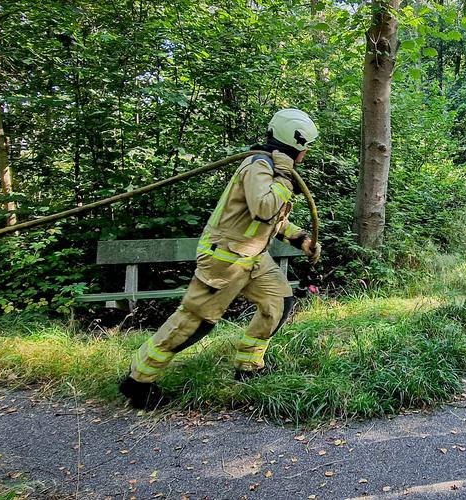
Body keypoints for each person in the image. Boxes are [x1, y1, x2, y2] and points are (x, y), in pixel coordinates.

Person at [119, 108, 323, 410]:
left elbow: (271, 222)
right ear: (296, 143)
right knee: (194, 323)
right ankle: (138, 381)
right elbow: (265, 208)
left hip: (253, 257)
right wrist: (283, 177)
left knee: (278, 302)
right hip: (225, 260)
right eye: (305, 146)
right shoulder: (260, 166)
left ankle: (248, 367)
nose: (306, 151)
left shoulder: (273, 168)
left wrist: (301, 239)